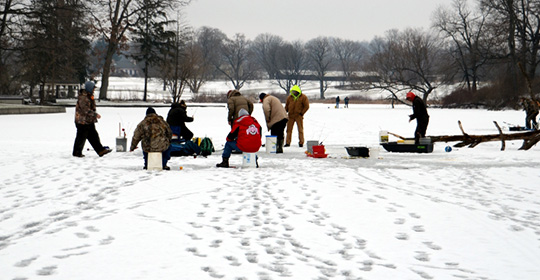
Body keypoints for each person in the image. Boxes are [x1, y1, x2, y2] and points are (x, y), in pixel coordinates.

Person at [72, 81, 112, 158]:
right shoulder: (83, 97)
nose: (94, 90)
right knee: (81, 137)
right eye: (93, 88)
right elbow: (85, 110)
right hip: (82, 121)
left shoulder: (89, 96)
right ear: (89, 88)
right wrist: (95, 115)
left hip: (88, 121)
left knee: (94, 136)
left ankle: (100, 150)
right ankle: (77, 152)